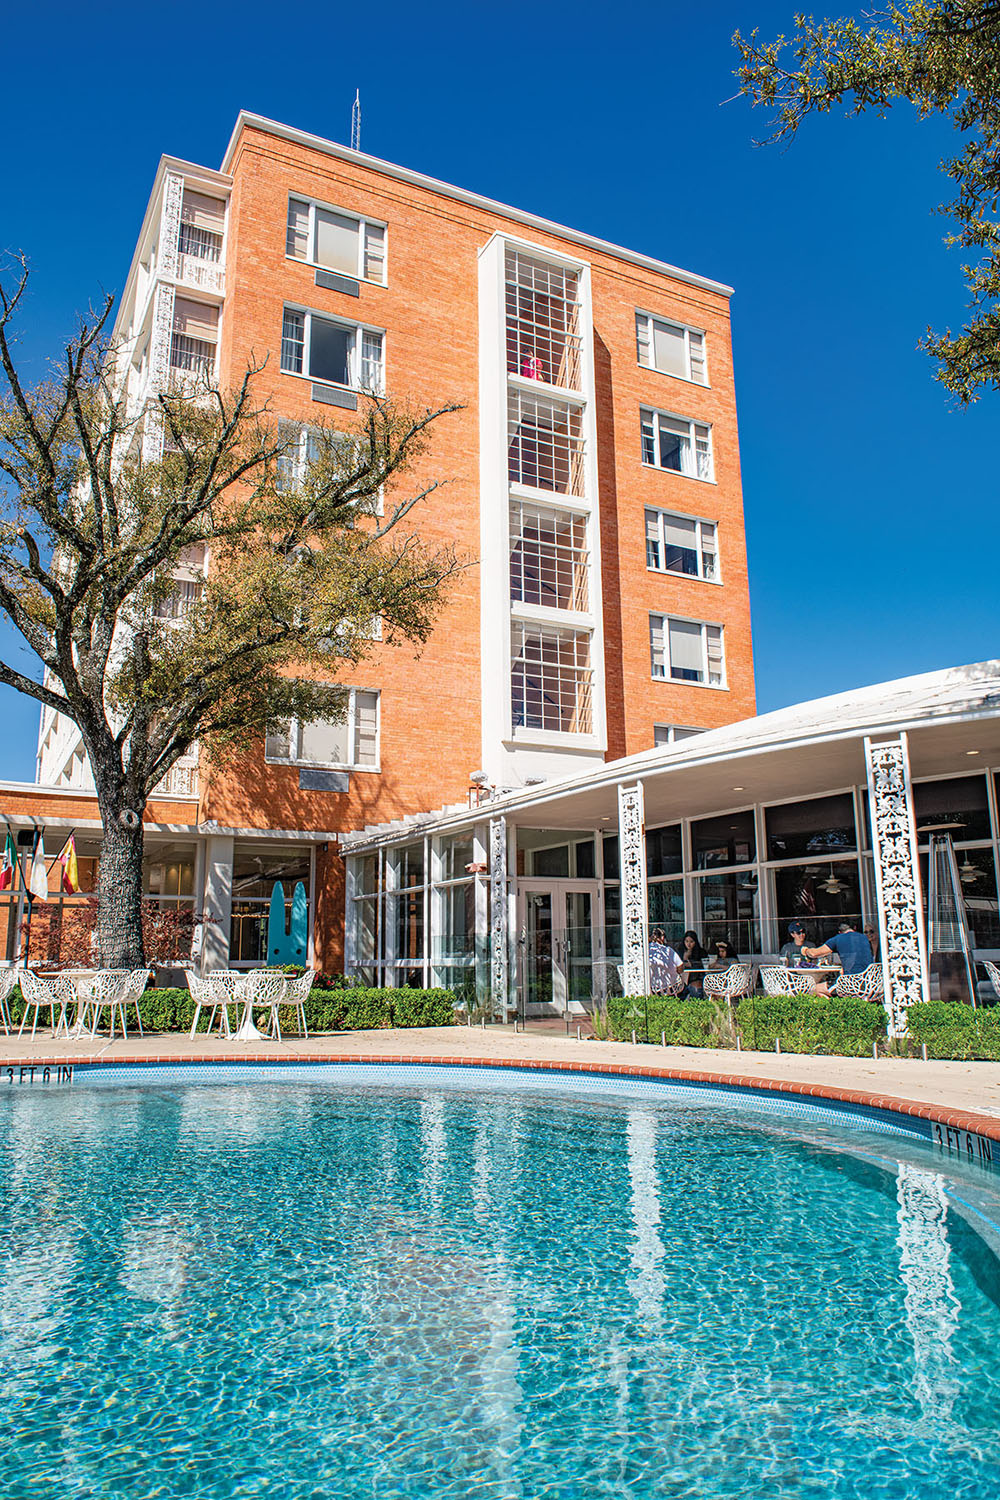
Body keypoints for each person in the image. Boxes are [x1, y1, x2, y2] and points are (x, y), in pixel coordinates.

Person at [803, 920, 874, 995]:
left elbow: (814, 953)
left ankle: (832, 1006)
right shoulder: (865, 938)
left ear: (839, 932)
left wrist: (806, 950)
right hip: (869, 983)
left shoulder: (838, 939)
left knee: (816, 989)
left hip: (851, 984)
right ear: (855, 928)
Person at [649, 927, 683, 994]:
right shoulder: (668, 951)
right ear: (662, 938)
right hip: (671, 988)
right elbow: (680, 967)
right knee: (685, 988)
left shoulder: (644, 951)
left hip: (652, 988)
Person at [678, 930, 707, 996]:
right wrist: (684, 959)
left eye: (691, 942)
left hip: (696, 978)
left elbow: (702, 966)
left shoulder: (701, 952)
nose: (688, 944)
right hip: (682, 979)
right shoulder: (680, 950)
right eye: (686, 941)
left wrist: (691, 964)